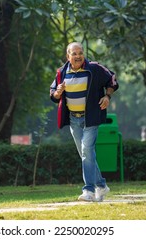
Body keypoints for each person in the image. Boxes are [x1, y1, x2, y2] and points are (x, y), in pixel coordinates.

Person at [50, 42, 119, 202]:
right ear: (68, 56)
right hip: (74, 119)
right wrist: (57, 93)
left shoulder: (94, 69)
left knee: (86, 151)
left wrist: (107, 96)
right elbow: (53, 93)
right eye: (74, 53)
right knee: (85, 154)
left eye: (80, 53)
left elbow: (112, 80)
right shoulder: (61, 73)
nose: (78, 56)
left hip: (91, 117)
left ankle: (88, 190)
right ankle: (101, 185)